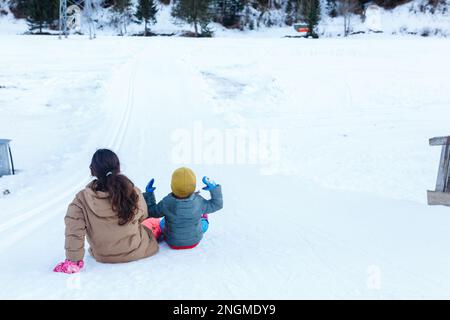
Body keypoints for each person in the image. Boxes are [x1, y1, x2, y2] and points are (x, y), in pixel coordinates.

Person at [53, 149, 159, 274]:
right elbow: (143, 216)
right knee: (153, 224)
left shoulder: (81, 200)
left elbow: (74, 232)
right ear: (118, 168)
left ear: (92, 170)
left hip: (103, 255)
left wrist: (73, 261)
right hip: (137, 250)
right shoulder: (132, 191)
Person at [143, 167, 223, 250]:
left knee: (163, 221)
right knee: (203, 222)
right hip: (194, 240)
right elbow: (217, 204)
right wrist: (214, 188)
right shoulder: (198, 201)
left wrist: (149, 194)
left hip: (172, 241)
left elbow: (152, 212)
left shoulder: (167, 202)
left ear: (172, 186)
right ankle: (204, 217)